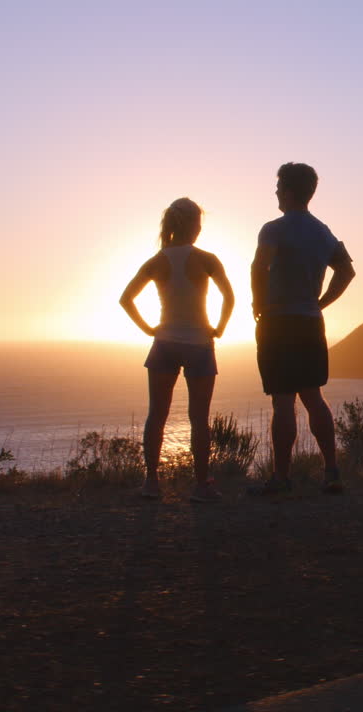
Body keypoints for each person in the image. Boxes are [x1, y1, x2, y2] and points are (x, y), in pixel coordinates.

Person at [250, 162, 356, 496]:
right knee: (313, 397)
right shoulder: (323, 232)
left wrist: (258, 305)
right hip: (310, 323)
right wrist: (321, 303)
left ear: (289, 191)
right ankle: (332, 472)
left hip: (278, 322)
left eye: (279, 186)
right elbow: (347, 272)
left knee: (283, 402)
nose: (275, 192)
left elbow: (259, 267)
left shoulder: (273, 229)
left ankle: (281, 478)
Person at [120, 197, 235, 502]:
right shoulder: (207, 259)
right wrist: (219, 328)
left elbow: (126, 299)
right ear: (195, 225)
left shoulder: (156, 261)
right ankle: (201, 486)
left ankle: (151, 483)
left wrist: (150, 330)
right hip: (199, 344)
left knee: (156, 415)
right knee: (199, 418)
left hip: (164, 345)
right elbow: (229, 296)